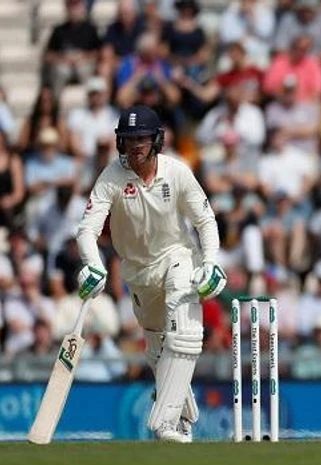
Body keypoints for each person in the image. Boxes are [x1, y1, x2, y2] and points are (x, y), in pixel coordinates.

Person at [76, 105, 226, 443]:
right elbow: (87, 230)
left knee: (186, 333)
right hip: (138, 272)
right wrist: (94, 264)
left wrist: (210, 262)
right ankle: (184, 417)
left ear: (156, 140)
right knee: (159, 349)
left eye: (142, 138)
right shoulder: (111, 177)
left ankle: (164, 423)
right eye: (129, 139)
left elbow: (205, 220)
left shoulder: (177, 172)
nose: (135, 145)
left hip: (177, 257)